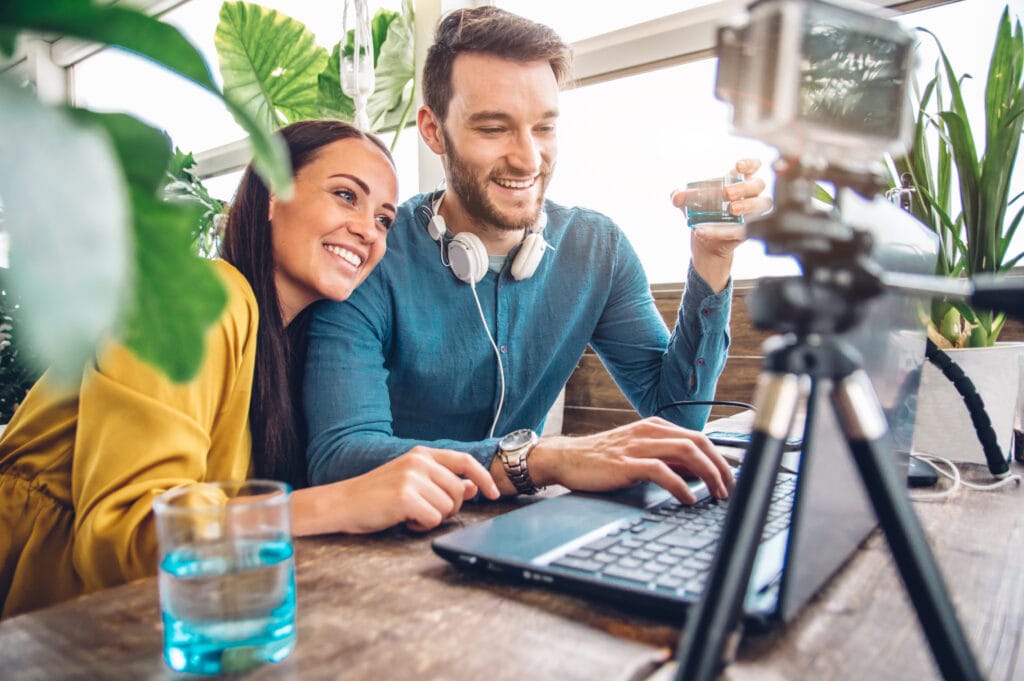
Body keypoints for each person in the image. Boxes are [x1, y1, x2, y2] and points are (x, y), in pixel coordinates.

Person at [0, 120, 499, 619]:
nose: (369, 229)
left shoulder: (289, 343)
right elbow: (126, 536)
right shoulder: (199, 298)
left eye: (385, 219)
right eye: (346, 195)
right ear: (270, 196)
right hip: (37, 601)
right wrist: (341, 502)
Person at [303, 8, 771, 502]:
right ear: (434, 130)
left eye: (544, 128)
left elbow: (677, 419)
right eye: (493, 128)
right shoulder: (369, 254)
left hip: (518, 533)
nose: (528, 159)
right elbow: (342, 456)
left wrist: (712, 261)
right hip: (381, 545)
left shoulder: (597, 250)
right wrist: (543, 458)